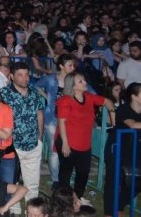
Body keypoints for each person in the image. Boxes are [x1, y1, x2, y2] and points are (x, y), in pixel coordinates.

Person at [56, 72, 116, 206]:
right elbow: (62, 122)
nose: (84, 83)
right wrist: (65, 144)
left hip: (84, 144)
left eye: (84, 80)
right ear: (73, 86)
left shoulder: (89, 97)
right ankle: (64, 201)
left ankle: (78, 197)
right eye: (80, 81)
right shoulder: (65, 100)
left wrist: (113, 115)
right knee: (65, 173)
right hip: (68, 142)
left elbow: (107, 101)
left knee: (83, 172)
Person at [0, 62, 45, 200]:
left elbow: (40, 114)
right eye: (20, 75)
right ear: (12, 76)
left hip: (33, 144)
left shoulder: (34, 93)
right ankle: (14, 211)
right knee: (12, 182)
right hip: (12, 145)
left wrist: (40, 138)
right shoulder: (3, 94)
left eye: (26, 75)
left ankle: (33, 211)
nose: (24, 78)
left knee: (33, 184)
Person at [34, 53, 75, 190]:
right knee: (54, 149)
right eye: (70, 65)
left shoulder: (74, 80)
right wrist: (47, 97)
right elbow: (35, 85)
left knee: (68, 147)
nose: (72, 67)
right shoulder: (51, 78)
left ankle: (66, 177)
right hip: (52, 117)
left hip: (69, 118)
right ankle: (56, 179)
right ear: (62, 66)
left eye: (73, 65)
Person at [104, 82, 141, 217]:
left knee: (136, 181)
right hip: (117, 148)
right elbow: (132, 125)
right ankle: (110, 213)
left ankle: (118, 206)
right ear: (134, 96)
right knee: (113, 181)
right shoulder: (124, 109)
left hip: (134, 150)